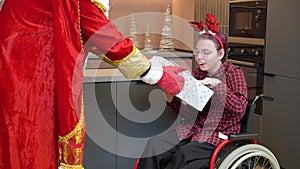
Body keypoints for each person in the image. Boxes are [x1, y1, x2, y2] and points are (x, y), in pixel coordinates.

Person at [0, 0, 186, 169]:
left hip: (15, 72)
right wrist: (157, 74)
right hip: (34, 81)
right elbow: (103, 35)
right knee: (32, 146)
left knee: (15, 143)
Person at [137, 14, 248, 169]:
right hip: (192, 129)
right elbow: (189, 113)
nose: (199, 58)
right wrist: (173, 101)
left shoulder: (233, 73)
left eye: (206, 53)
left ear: (220, 54)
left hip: (217, 135)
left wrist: (217, 86)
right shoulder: (198, 74)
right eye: (197, 52)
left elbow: (240, 108)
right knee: (154, 146)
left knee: (184, 156)